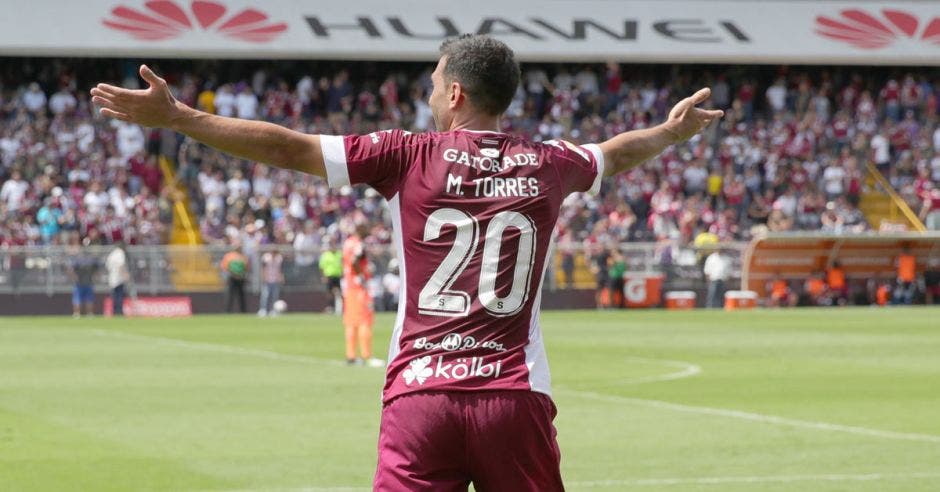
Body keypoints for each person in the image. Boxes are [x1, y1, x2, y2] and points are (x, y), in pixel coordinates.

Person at [90, 35, 721, 490]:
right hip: (515, 395)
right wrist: (670, 134)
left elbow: (289, 147)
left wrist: (178, 117)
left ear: (454, 93)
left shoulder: (406, 154)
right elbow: (616, 152)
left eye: (430, 87)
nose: (426, 98)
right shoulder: (553, 161)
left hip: (421, 397)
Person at [342, 221, 383, 367]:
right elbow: (355, 260)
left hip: (349, 286)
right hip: (359, 287)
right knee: (365, 319)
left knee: (351, 322)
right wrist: (360, 274)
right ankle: (367, 356)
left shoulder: (347, 243)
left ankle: (351, 355)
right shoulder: (358, 244)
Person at [69, 243, 100, 318]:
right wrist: (74, 277)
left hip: (87, 282)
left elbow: (96, 269)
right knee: (79, 298)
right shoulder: (80, 259)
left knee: (87, 299)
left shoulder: (89, 258)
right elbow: (71, 269)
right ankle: (79, 313)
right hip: (80, 282)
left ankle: (85, 313)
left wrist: (95, 276)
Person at [221, 243, 249, 313]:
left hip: (240, 278)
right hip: (232, 277)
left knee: (241, 296)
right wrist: (233, 274)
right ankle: (227, 311)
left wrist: (241, 275)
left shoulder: (243, 256)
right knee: (230, 295)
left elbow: (246, 267)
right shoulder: (229, 256)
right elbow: (225, 266)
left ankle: (243, 311)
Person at [318, 237, 343, 314]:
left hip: (338, 275)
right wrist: (323, 276)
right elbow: (322, 267)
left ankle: (339, 308)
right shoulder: (326, 255)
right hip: (329, 275)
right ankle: (330, 307)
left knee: (339, 292)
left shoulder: (339, 254)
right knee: (329, 293)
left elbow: (343, 264)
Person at [105, 241, 130, 316]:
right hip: (119, 278)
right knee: (119, 295)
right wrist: (125, 274)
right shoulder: (120, 253)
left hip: (112, 277)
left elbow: (107, 266)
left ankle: (115, 311)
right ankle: (119, 311)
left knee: (115, 295)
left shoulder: (112, 254)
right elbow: (120, 265)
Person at [258, 250, 284, 317]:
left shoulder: (279, 259)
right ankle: (263, 310)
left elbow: (280, 269)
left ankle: (273, 310)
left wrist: (281, 277)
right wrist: (263, 277)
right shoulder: (266, 258)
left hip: (275, 280)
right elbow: (263, 268)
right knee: (265, 296)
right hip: (267, 280)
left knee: (274, 296)